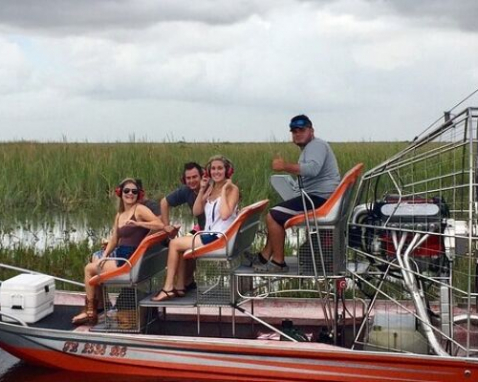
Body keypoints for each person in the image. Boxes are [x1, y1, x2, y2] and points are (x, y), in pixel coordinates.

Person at [72, 178, 173, 325]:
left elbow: (159, 224)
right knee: (96, 261)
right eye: (126, 191)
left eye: (134, 191)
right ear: (120, 193)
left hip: (127, 260)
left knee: (89, 269)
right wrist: (104, 257)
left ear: (139, 194)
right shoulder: (119, 215)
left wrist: (138, 223)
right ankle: (99, 306)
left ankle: (91, 311)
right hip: (120, 255)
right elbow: (114, 239)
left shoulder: (139, 209)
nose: (130, 194)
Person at [251, 114, 340, 273]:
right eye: (294, 131)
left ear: (311, 131)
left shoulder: (316, 145)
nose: (297, 133)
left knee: (273, 216)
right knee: (278, 213)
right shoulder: (311, 147)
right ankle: (264, 256)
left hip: (319, 200)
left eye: (301, 130)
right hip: (319, 197)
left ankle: (279, 263)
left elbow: (312, 169)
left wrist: (284, 166)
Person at [152, 155, 240, 302]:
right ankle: (179, 286)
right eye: (213, 168)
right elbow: (196, 211)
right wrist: (203, 190)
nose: (216, 171)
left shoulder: (232, 189)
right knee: (179, 244)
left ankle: (167, 288)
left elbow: (225, 215)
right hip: (211, 234)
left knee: (174, 244)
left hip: (220, 237)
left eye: (220, 168)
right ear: (208, 172)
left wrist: (224, 191)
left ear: (227, 171)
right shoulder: (211, 188)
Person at [160, 162, 205, 291]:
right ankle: (187, 281)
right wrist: (166, 226)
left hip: (209, 232)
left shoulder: (208, 189)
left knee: (179, 244)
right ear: (184, 180)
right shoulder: (186, 190)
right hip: (199, 229)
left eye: (195, 177)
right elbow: (164, 202)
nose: (192, 181)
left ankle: (180, 285)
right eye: (188, 178)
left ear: (202, 176)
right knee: (185, 239)